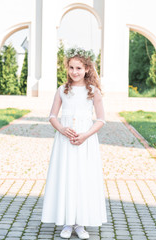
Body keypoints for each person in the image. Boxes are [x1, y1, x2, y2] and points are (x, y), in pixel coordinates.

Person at [41, 47, 107, 239]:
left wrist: (86, 135)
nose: (74, 72)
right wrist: (61, 129)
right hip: (64, 141)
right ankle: (67, 222)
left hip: (85, 142)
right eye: (71, 67)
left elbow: (102, 119)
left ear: (87, 69)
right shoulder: (62, 90)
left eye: (79, 68)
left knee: (82, 177)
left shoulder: (93, 91)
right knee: (66, 176)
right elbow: (52, 115)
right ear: (67, 69)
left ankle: (80, 223)